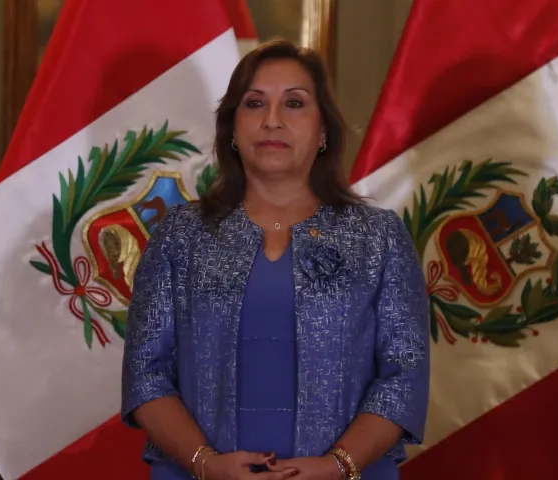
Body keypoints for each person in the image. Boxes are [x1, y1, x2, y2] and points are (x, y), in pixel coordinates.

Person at [122, 38, 430, 480]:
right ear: (231, 128)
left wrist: (336, 466)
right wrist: (206, 466)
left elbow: (405, 374)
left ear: (324, 130)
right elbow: (145, 374)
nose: (272, 120)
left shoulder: (378, 236)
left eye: (294, 103)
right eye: (254, 103)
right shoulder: (180, 234)